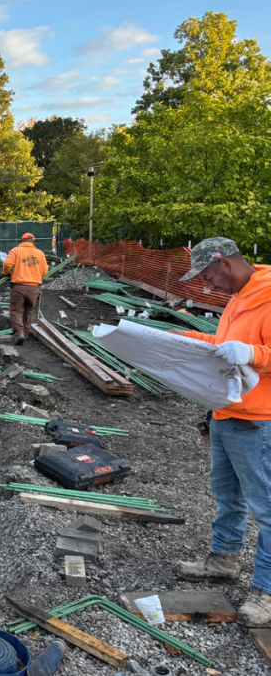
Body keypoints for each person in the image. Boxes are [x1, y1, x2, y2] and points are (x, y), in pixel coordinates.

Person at [169, 237, 271, 626]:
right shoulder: (238, 298)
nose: (209, 286)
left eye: (209, 277)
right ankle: (224, 559)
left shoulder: (267, 296)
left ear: (226, 263)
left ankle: (266, 591)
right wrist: (186, 339)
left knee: (267, 508)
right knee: (228, 496)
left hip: (258, 421)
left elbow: (250, 353)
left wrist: (254, 355)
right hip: (226, 415)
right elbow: (225, 346)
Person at [3, 233, 49, 345]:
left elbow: (8, 263)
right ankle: (26, 333)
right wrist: (36, 276)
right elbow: (45, 271)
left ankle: (19, 332)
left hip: (19, 286)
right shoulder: (40, 253)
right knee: (28, 311)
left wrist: (7, 273)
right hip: (34, 288)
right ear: (33, 241)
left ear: (21, 241)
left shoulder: (16, 250)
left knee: (16, 310)